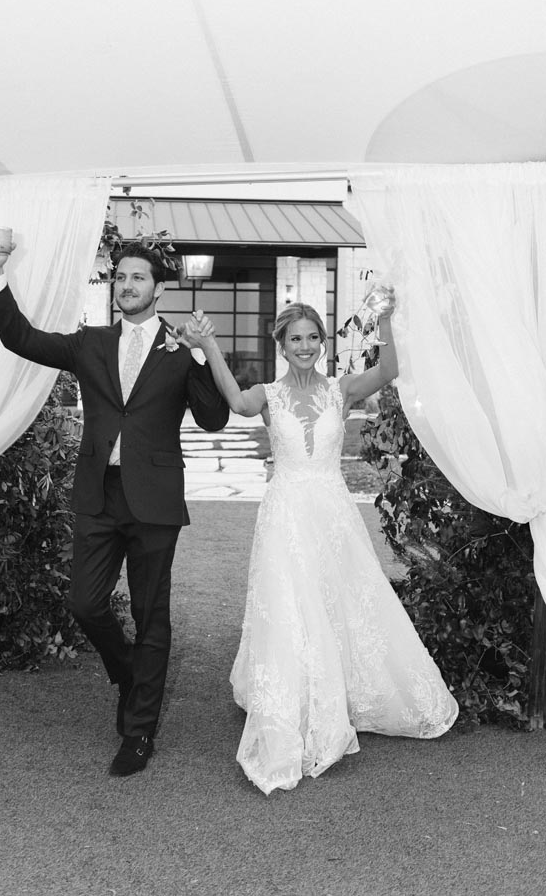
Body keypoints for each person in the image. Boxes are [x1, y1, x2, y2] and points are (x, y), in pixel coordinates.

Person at [181, 295, 458, 795]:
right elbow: (238, 405)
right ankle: (297, 703)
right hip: (285, 513)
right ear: (281, 346)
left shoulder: (342, 390)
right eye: (295, 339)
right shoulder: (267, 394)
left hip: (332, 514)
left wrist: (388, 319)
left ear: (321, 342)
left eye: (312, 337)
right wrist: (209, 346)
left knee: (344, 599)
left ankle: (349, 691)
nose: (305, 346)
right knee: (290, 604)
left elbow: (390, 368)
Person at [0, 235, 229, 777]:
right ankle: (131, 672)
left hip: (155, 501)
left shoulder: (181, 351)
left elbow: (213, 419)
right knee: (85, 604)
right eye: (121, 277)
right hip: (98, 494)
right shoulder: (90, 342)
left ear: (159, 289)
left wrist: (205, 353)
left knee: (149, 615)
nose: (127, 285)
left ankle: (138, 732)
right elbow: (23, 338)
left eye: (138, 277)